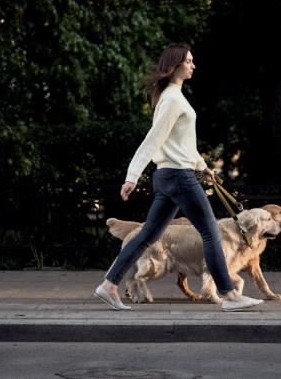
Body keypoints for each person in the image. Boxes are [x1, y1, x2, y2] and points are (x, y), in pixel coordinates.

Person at [94, 43, 264, 312]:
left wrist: (202, 165)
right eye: (188, 61)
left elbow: (181, 143)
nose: (193, 65)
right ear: (174, 66)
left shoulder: (173, 96)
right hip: (178, 176)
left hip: (171, 175)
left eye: (192, 61)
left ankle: (109, 285)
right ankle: (229, 295)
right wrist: (132, 175)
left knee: (147, 234)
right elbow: (154, 139)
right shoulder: (173, 99)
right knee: (211, 233)